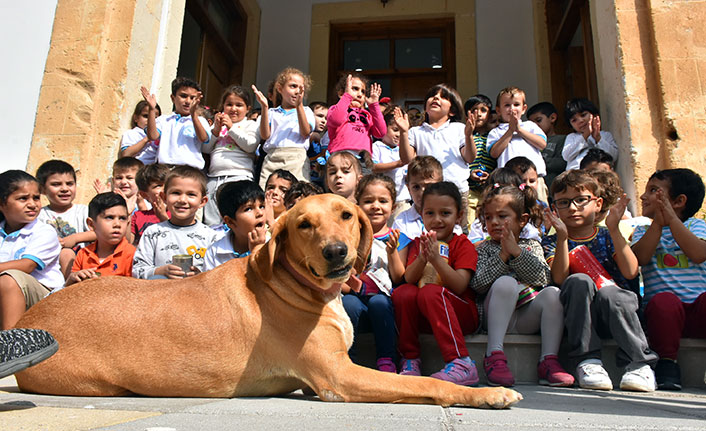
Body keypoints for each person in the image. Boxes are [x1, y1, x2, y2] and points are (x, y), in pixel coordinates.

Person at [542, 170, 658, 392]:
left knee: (610, 293)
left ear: (597, 203)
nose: (573, 208)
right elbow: (559, 277)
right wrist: (563, 238)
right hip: (580, 319)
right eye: (564, 203)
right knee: (578, 281)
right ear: (555, 209)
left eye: (580, 200)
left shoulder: (606, 235)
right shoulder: (551, 242)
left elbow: (631, 271)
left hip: (616, 311)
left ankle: (640, 364)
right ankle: (588, 361)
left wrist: (614, 228)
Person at [472, 184, 573, 387]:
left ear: (522, 220)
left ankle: (548, 360)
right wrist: (503, 255)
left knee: (553, 293)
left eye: (502, 216)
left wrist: (516, 252)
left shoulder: (531, 245)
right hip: (496, 320)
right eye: (489, 217)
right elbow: (479, 284)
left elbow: (543, 278)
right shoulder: (483, 249)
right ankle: (494, 355)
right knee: (506, 283)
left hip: (526, 318)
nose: (495, 222)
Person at [393, 182, 480, 386]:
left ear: (458, 216)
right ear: (421, 215)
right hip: (428, 316)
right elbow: (408, 279)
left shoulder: (462, 244)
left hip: (461, 315)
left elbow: (459, 285)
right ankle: (410, 359)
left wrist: (437, 260)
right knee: (403, 292)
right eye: (430, 213)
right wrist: (423, 257)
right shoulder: (419, 243)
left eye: (445, 213)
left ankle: (461, 362)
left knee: (431, 292)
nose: (437, 220)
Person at [632, 168, 706, 390]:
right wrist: (658, 224)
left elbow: (698, 253)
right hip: (665, 317)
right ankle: (667, 364)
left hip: (698, 311)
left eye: (653, 190)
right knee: (664, 301)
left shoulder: (697, 226)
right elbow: (641, 258)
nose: (643, 196)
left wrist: (671, 220)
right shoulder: (642, 230)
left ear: (679, 201)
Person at [342, 174, 406, 372]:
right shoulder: (348, 238)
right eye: (368, 201)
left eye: (383, 201)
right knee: (348, 303)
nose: (376, 206)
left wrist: (392, 251)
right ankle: (347, 362)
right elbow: (342, 278)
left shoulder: (399, 238)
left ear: (393, 207)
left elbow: (399, 277)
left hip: (384, 304)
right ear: (357, 206)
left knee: (379, 303)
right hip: (356, 300)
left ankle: (387, 359)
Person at [397, 84, 476, 230]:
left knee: (458, 233)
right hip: (426, 192)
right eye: (433, 95)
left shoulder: (458, 129)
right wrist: (403, 132)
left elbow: (470, 157)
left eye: (443, 97)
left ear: (452, 111)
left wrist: (468, 135)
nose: (436, 98)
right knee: (429, 228)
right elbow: (407, 159)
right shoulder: (416, 131)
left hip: (456, 190)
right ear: (425, 107)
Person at [0, 170, 63, 329]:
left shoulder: (44, 231)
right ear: (2, 204)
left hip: (44, 298)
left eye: (36, 197)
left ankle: (11, 345)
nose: (32, 204)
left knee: (9, 279)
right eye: (23, 198)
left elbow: (27, 265)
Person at [132, 166, 218, 279]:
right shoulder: (153, 233)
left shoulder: (210, 236)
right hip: (160, 292)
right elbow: (137, 270)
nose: (182, 200)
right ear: (164, 197)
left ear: (202, 201)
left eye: (191, 194)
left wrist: (200, 275)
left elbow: (218, 274)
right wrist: (159, 271)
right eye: (176, 193)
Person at [202, 85, 259, 226]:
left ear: (248, 109)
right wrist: (215, 130)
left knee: (237, 217)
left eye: (239, 105)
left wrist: (231, 128)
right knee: (212, 219)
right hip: (214, 178)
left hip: (239, 175)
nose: (233, 109)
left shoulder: (250, 125)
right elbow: (206, 148)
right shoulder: (217, 126)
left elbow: (250, 145)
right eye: (229, 104)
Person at [252, 67, 315, 188]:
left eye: (301, 88)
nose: (297, 91)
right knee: (268, 192)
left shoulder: (306, 111)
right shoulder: (272, 112)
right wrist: (264, 108)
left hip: (296, 158)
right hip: (273, 157)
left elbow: (305, 132)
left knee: (297, 192)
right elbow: (265, 135)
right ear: (280, 89)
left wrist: (299, 106)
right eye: (293, 86)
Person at [35, 160, 95, 279]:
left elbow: (101, 233)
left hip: (82, 264)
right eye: (56, 184)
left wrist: (75, 238)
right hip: (49, 267)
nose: (64, 189)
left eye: (69, 184)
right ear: (42, 189)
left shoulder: (84, 211)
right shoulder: (39, 215)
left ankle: (71, 287)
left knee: (66, 252)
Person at [488, 87, 548, 203]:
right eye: (507, 105)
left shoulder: (530, 126)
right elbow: (494, 153)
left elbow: (542, 144)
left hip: (534, 180)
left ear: (524, 108)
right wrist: (510, 131)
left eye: (516, 105)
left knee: (539, 208)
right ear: (498, 110)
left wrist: (519, 130)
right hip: (509, 180)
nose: (512, 109)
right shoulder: (496, 132)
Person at [65, 192, 136, 286]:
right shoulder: (83, 254)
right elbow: (71, 291)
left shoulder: (132, 255)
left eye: (122, 218)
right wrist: (73, 279)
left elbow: (134, 291)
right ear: (91, 224)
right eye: (109, 217)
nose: (117, 224)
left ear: (127, 223)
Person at [141, 77, 211, 169]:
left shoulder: (200, 120)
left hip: (189, 170)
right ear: (173, 98)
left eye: (192, 98)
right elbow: (153, 136)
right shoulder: (164, 120)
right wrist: (151, 109)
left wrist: (193, 114)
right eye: (183, 96)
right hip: (165, 169)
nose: (188, 101)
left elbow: (203, 138)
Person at [391, 156, 462, 241]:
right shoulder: (402, 221)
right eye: (416, 187)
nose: (422, 192)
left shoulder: (449, 218)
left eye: (430, 186)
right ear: (409, 188)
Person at [203, 181, 267, 271]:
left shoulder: (274, 246)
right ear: (230, 222)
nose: (260, 213)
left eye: (262, 206)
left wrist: (259, 251)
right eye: (248, 209)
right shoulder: (214, 252)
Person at [326, 72, 386, 155]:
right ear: (341, 93)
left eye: (363, 92)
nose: (360, 94)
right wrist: (347, 96)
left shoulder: (367, 115)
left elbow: (380, 133)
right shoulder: (334, 109)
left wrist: (374, 106)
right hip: (341, 155)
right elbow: (336, 120)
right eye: (355, 89)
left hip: (363, 158)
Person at [464, 95, 497, 224]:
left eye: (483, 110)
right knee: (470, 221)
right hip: (470, 189)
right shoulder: (464, 137)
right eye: (473, 110)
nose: (478, 114)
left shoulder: (494, 136)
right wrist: (469, 174)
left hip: (490, 189)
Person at [371, 105, 410, 209]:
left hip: (401, 199)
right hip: (381, 200)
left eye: (402, 132)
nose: (398, 135)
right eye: (395, 130)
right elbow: (373, 167)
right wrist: (397, 164)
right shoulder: (377, 146)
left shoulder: (404, 149)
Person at [562, 98, 618, 171]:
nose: (581, 121)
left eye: (583, 115)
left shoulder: (605, 135)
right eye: (574, 120)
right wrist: (585, 136)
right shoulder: (572, 137)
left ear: (594, 115)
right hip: (577, 177)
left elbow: (614, 156)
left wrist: (598, 138)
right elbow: (566, 156)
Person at [527, 102, 566, 188]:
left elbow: (562, 162)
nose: (535, 126)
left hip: (554, 188)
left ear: (552, 118)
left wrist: (538, 161)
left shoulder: (562, 140)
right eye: (531, 123)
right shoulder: (529, 142)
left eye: (538, 120)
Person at [132, 163, 170, 245]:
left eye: (168, 185)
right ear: (144, 194)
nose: (165, 189)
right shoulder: (138, 216)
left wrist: (163, 217)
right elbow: (128, 242)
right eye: (158, 186)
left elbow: (178, 241)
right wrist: (127, 214)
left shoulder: (180, 215)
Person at [307, 101, 329, 187]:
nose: (323, 121)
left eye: (326, 118)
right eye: (320, 116)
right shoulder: (302, 135)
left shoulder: (325, 138)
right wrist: (310, 136)